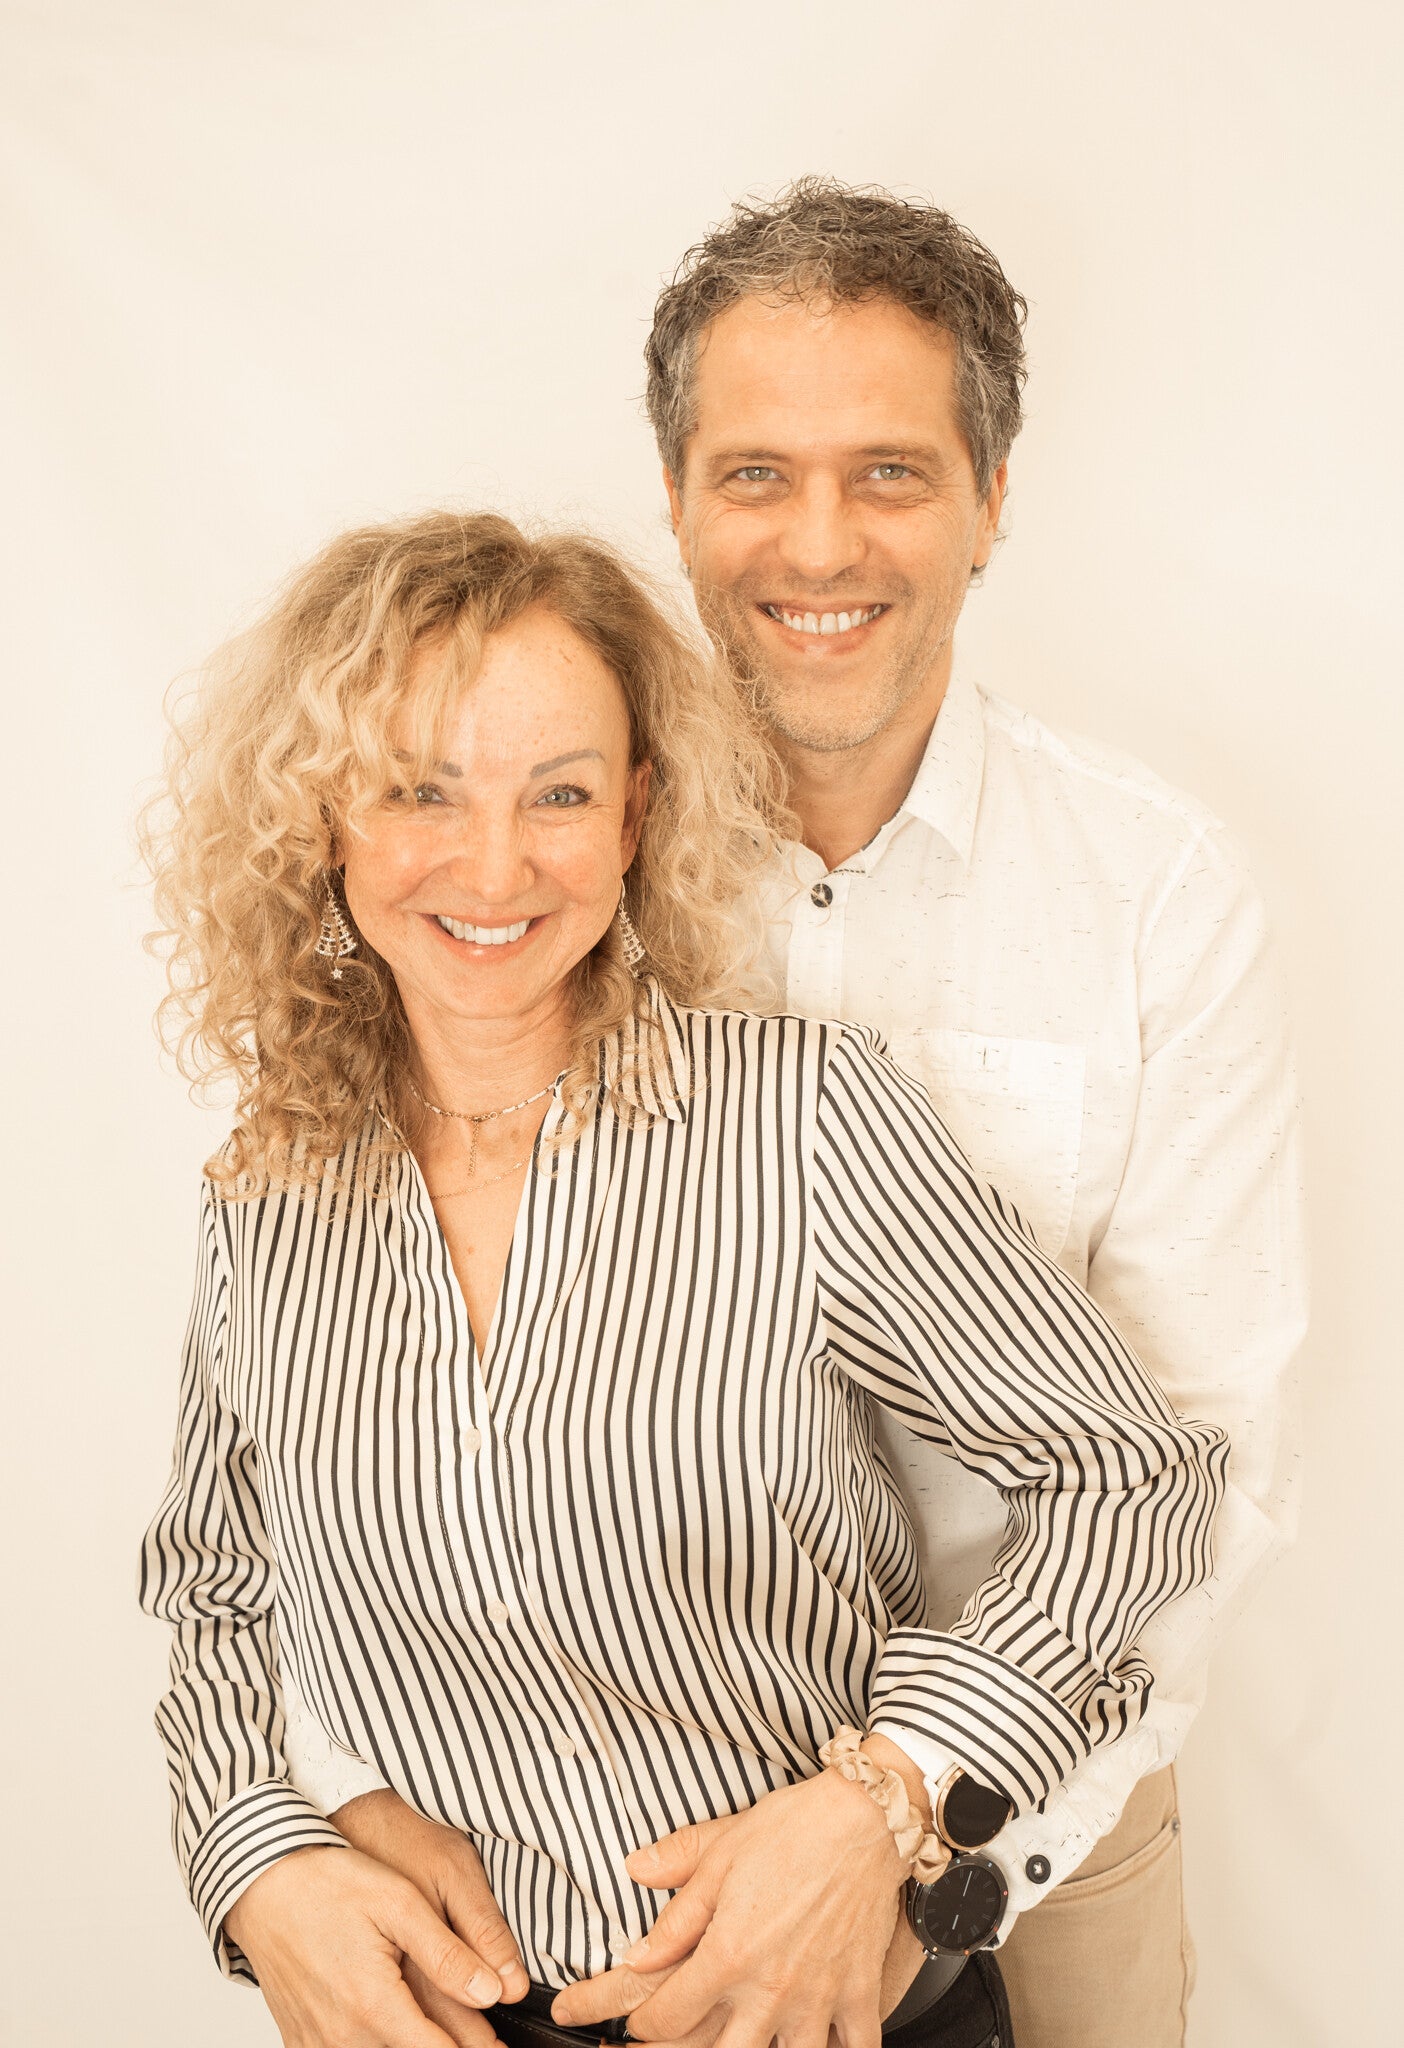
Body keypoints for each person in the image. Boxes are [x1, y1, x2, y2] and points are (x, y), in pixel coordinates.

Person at [140, 509, 1229, 2048]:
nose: (496, 863)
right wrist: (259, 1860)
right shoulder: (270, 1195)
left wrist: (888, 1796)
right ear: (325, 816)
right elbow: (217, 1589)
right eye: (421, 789)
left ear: (636, 814)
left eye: (560, 792)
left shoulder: (808, 1121)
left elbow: (1126, 1477)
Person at [539, 179, 1305, 2048]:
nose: (821, 543)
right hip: (627, 1831)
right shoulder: (537, 874)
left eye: (889, 472)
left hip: (1049, 1817)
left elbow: (1202, 1456)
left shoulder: (1158, 894)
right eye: (756, 473)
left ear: (993, 495)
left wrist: (920, 1837)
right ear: (674, 497)